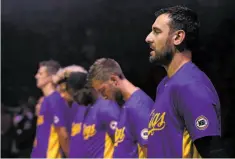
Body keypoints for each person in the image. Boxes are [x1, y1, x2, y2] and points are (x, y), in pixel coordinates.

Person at [145, 5, 226, 158]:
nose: (148, 38)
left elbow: (214, 152)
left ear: (177, 37)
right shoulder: (164, 85)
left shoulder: (191, 85)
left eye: (156, 32)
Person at [87, 58, 154, 158]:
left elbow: (153, 153)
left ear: (114, 80)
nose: (103, 96)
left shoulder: (138, 106)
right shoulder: (126, 106)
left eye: (103, 90)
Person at [69, 72, 120, 158]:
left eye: (77, 94)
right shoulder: (88, 110)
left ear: (88, 88)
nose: (76, 99)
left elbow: (121, 142)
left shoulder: (106, 108)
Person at [31, 60, 70, 158]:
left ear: (50, 77)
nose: (36, 76)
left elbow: (62, 133)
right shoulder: (44, 100)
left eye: (40, 73)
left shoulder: (55, 100)